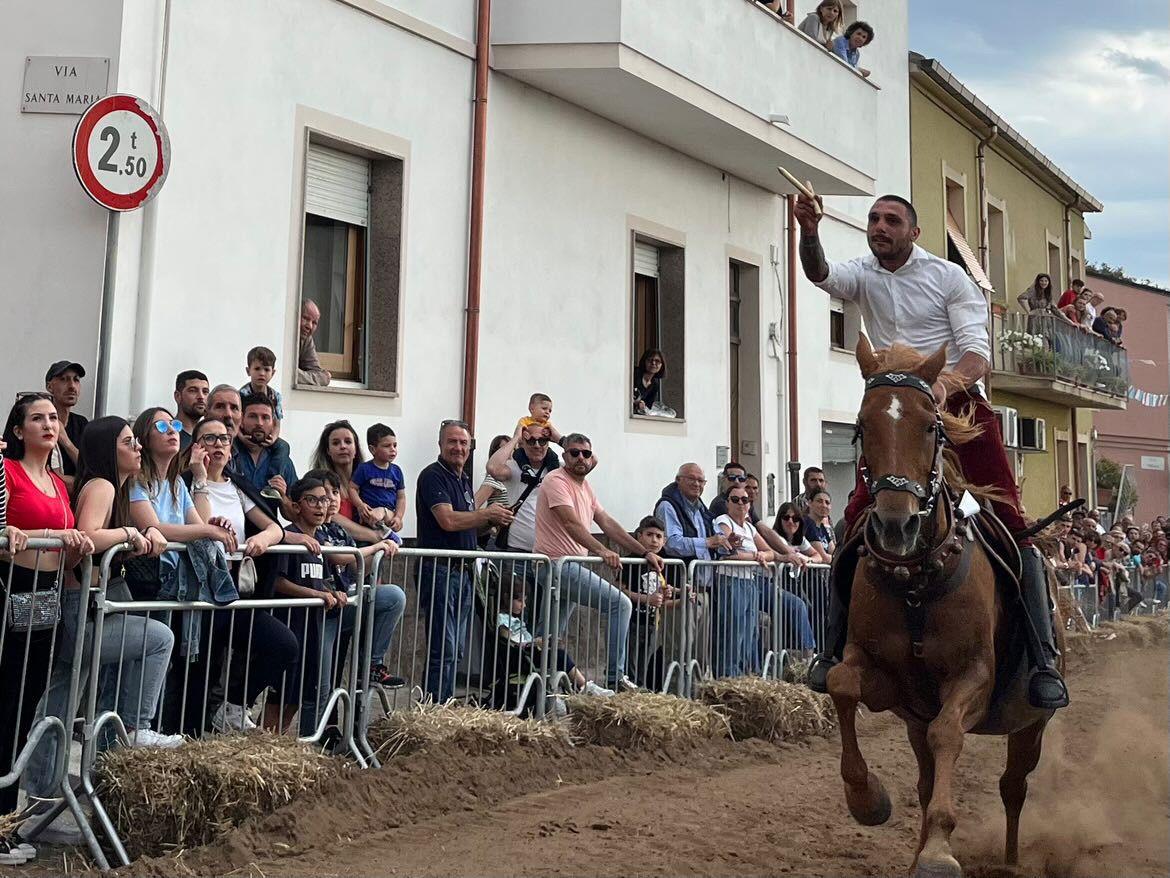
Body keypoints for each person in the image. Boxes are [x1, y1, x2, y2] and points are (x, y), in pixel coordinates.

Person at [794, 187, 1068, 708]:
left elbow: (976, 358)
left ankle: (1042, 658)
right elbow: (820, 274)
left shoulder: (949, 278)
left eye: (891, 220)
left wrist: (941, 386)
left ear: (914, 232)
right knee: (853, 522)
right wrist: (810, 231)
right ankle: (831, 652)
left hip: (960, 409)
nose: (879, 226)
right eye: (874, 219)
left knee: (1013, 525)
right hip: (894, 416)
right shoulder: (863, 272)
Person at [23, 418, 182, 832]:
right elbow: (86, 536)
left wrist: (140, 530)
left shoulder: (118, 489)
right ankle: (137, 728)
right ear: (109, 449)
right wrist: (130, 532)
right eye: (129, 442)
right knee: (158, 638)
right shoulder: (103, 486)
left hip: (89, 601)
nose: (138, 448)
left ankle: (44, 795)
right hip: (80, 607)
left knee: (61, 700)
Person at [1, 393, 94, 862]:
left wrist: (74, 544)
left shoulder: (59, 483)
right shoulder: (7, 473)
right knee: (4, 708)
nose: (48, 424)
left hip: (47, 601)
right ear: (18, 430)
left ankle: (7, 821)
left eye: (53, 418)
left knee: (24, 711)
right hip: (9, 595)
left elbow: (65, 552)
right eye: (36, 418)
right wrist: (8, 536)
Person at [533, 433, 664, 691]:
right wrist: (602, 550)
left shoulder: (586, 487)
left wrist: (644, 553)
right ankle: (616, 677)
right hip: (557, 566)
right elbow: (571, 523)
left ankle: (544, 693)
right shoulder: (555, 480)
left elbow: (607, 523)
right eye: (574, 453)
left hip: (567, 566)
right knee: (621, 604)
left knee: (546, 637)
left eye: (586, 453)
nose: (581, 457)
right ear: (564, 456)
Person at [416, 420, 513, 702]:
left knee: (455, 649)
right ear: (440, 445)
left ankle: (442, 704)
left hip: (465, 572)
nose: (458, 447)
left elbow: (467, 524)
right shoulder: (433, 476)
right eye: (452, 442)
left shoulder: (464, 479)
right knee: (442, 647)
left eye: (463, 442)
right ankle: (434, 707)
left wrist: (493, 523)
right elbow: (446, 520)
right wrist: (487, 515)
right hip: (440, 570)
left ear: (471, 446)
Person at [305, 468, 406, 688]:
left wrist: (382, 554)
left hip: (346, 601)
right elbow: (339, 558)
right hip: (322, 609)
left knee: (394, 596)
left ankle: (372, 665)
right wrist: (377, 545)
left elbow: (356, 565)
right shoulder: (311, 529)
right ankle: (316, 722)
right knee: (319, 683)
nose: (330, 499)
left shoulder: (340, 530)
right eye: (322, 495)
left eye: (333, 492)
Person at [496, 581, 611, 714]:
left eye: (525, 601)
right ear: (506, 598)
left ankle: (577, 691)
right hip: (520, 656)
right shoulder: (502, 620)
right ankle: (584, 686)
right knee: (559, 656)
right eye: (520, 601)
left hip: (528, 652)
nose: (524, 605)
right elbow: (508, 642)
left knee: (556, 657)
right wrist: (532, 644)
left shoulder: (516, 619)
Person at [619, 516, 676, 690]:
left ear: (664, 541)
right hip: (633, 621)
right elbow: (620, 590)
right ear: (639, 536)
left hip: (652, 623)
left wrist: (666, 593)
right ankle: (628, 692)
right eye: (649, 534)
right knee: (631, 664)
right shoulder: (631, 561)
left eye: (659, 536)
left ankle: (641, 691)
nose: (654, 540)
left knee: (644, 664)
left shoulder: (660, 564)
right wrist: (646, 599)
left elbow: (661, 590)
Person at [232, 395, 297, 517]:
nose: (259, 423)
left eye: (265, 417)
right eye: (253, 416)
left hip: (269, 534)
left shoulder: (283, 461)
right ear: (241, 421)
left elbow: (294, 516)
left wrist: (282, 497)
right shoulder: (228, 453)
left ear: (273, 423)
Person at [350, 423, 406, 532]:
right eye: (387, 446)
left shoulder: (397, 471)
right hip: (367, 519)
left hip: (388, 520)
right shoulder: (364, 469)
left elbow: (401, 497)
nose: (392, 449)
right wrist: (360, 505)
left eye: (395, 445)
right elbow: (352, 488)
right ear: (373, 449)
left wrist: (398, 517)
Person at [311, 420, 366, 523]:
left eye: (348, 442)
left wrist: (386, 512)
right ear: (328, 451)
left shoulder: (368, 479)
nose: (343, 446)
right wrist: (374, 535)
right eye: (336, 443)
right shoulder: (318, 483)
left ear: (356, 449)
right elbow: (332, 518)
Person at [44, 361, 88, 488]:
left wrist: (66, 441)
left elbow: (90, 471)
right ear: (49, 387)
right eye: (64, 379)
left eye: (76, 380)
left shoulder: (82, 424)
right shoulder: (40, 424)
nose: (72, 386)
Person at [296, 299, 331, 386]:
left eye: (314, 322)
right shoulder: (282, 337)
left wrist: (322, 378)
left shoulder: (307, 339)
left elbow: (317, 373)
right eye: (306, 318)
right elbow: (285, 373)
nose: (309, 326)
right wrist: (319, 379)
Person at [173, 370, 210, 451]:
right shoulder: (169, 435)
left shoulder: (210, 438)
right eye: (193, 391)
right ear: (177, 396)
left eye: (205, 392)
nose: (201, 396)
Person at [803, 489, 835, 562]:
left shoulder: (822, 527)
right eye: (819, 501)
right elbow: (823, 557)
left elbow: (834, 552)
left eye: (827, 503)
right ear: (809, 503)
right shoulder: (807, 523)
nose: (824, 505)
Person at [633, 349, 668, 416]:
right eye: (650, 360)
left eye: (657, 361)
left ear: (661, 365)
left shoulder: (655, 385)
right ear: (644, 361)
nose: (653, 363)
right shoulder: (634, 373)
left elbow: (648, 407)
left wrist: (642, 406)